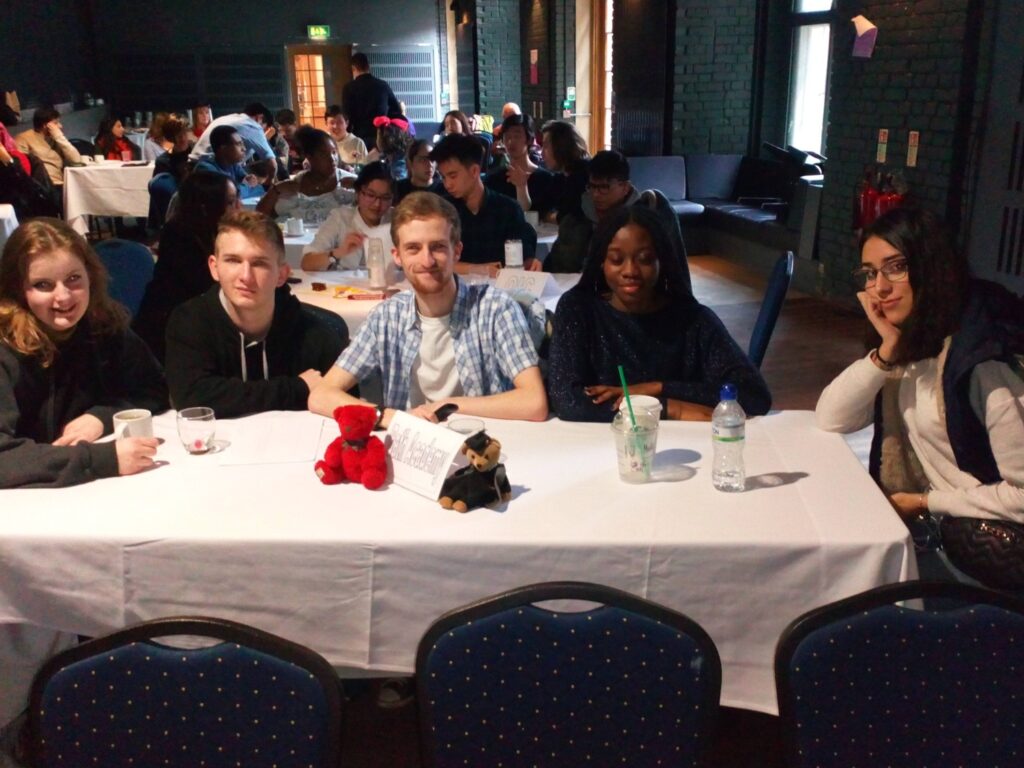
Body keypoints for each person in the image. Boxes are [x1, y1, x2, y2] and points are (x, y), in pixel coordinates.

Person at [816, 208, 1024, 544]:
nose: (880, 287)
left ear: (930, 268)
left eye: (896, 267)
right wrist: (885, 353)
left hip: (988, 549)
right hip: (943, 534)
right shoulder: (912, 344)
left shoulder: (982, 362)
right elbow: (831, 417)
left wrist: (924, 502)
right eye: (870, 273)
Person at [308, 192, 548, 427]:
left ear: (457, 251)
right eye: (413, 248)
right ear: (398, 256)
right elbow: (321, 395)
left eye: (438, 247)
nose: (427, 261)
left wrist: (449, 405)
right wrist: (388, 416)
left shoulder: (495, 309)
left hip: (484, 445)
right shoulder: (386, 318)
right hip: (414, 447)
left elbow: (534, 402)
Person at [548, 205, 770, 422]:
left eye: (644, 259)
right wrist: (668, 408)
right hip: (600, 448)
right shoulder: (579, 309)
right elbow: (567, 401)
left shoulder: (693, 320)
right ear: (601, 263)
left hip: (686, 446)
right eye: (617, 260)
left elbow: (754, 396)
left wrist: (657, 388)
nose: (630, 271)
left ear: (662, 263)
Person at [0, 218, 168, 488]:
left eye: (73, 279)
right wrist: (102, 459)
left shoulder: (102, 323)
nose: (64, 297)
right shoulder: (5, 349)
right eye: (43, 285)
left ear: (91, 276)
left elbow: (154, 387)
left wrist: (99, 418)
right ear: (19, 290)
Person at [164, 211, 344, 417]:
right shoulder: (189, 321)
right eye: (233, 260)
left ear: (281, 275)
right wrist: (297, 388)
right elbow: (191, 399)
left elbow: (344, 404)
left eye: (259, 263)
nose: (246, 276)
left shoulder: (316, 334)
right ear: (214, 268)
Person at [133, 172, 240, 362]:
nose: (238, 208)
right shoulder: (179, 236)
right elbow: (207, 286)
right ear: (206, 207)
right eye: (231, 202)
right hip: (170, 331)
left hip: (198, 319)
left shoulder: (212, 230)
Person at [430, 134, 538, 275]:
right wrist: (480, 269)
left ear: (474, 171)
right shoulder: (443, 210)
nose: (447, 184)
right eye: (443, 177)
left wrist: (531, 263)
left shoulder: (507, 209)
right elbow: (436, 260)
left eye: (453, 176)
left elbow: (524, 258)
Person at [546, 149, 640, 273]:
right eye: (592, 186)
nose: (595, 194)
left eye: (604, 187)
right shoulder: (575, 221)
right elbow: (553, 265)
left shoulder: (640, 222)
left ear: (625, 188)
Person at [301, 161, 394, 271]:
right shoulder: (340, 218)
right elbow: (306, 262)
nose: (377, 204)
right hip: (344, 287)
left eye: (385, 198)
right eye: (371, 195)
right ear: (358, 193)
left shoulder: (398, 220)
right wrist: (338, 252)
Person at [256, 127, 355, 224]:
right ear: (309, 157)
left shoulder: (351, 183)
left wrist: (360, 187)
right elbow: (259, 217)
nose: (332, 159)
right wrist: (275, 191)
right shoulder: (292, 186)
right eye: (323, 155)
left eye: (334, 153)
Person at [484, 113, 557, 216]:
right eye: (507, 136)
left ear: (530, 140)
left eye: (517, 136)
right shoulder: (494, 178)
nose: (511, 141)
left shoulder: (546, 179)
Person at [15, 105, 82, 214]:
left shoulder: (56, 139)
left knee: (78, 195)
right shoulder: (24, 138)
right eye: (56, 123)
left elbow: (76, 159)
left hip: (60, 184)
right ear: (46, 125)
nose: (60, 126)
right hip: (40, 186)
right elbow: (21, 166)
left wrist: (59, 138)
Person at [188, 108, 277, 181]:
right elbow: (272, 164)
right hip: (207, 170)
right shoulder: (253, 127)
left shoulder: (226, 119)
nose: (244, 149)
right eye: (239, 144)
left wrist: (249, 181)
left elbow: (248, 184)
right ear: (259, 118)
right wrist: (269, 186)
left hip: (193, 165)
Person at [342, 52, 401, 151]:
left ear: (353, 68)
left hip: (359, 136)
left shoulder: (349, 88)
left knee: (362, 164)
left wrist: (347, 136)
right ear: (368, 66)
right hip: (380, 135)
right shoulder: (383, 85)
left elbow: (347, 116)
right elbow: (396, 110)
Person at [193, 125, 265, 199]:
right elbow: (228, 196)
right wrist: (246, 186)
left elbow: (258, 189)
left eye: (242, 144)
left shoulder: (233, 165)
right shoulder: (205, 169)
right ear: (223, 148)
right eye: (238, 144)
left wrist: (247, 184)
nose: (244, 148)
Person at [540, 119, 590, 220]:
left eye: (546, 146)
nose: (541, 154)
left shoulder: (585, 176)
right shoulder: (561, 177)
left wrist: (551, 216)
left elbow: (572, 217)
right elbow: (541, 208)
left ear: (561, 146)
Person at [394, 139, 441, 203]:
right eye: (423, 160)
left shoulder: (443, 189)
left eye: (432, 159)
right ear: (410, 162)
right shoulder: (398, 190)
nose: (430, 164)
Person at [365, 116, 411, 180]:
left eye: (378, 135)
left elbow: (397, 185)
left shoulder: (399, 166)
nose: (376, 140)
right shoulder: (385, 157)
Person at [273, 108, 302, 174]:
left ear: (295, 124)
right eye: (281, 131)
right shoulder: (277, 140)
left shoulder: (304, 139)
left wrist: (298, 156)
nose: (284, 134)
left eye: (288, 131)